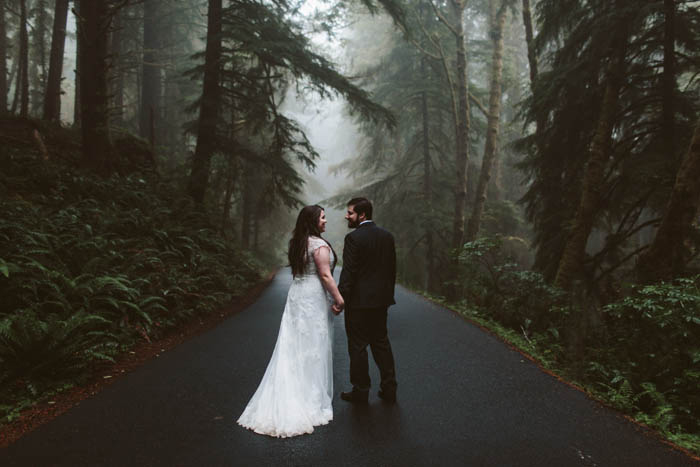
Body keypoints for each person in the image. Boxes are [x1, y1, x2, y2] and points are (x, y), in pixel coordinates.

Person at [237, 205, 344, 438]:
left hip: (297, 295)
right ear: (313, 221)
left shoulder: (298, 243)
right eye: (323, 218)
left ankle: (292, 392)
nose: (326, 221)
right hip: (312, 297)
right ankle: (308, 400)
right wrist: (339, 298)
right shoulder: (319, 245)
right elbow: (325, 275)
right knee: (313, 345)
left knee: (294, 346)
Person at [337, 197, 397, 404]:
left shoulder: (353, 238)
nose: (347, 216)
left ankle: (361, 391)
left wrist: (340, 298)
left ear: (362, 215)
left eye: (350, 213)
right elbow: (392, 270)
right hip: (381, 301)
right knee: (381, 343)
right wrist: (387, 296)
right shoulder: (387, 236)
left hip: (358, 303)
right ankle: (389, 389)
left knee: (358, 346)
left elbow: (349, 272)